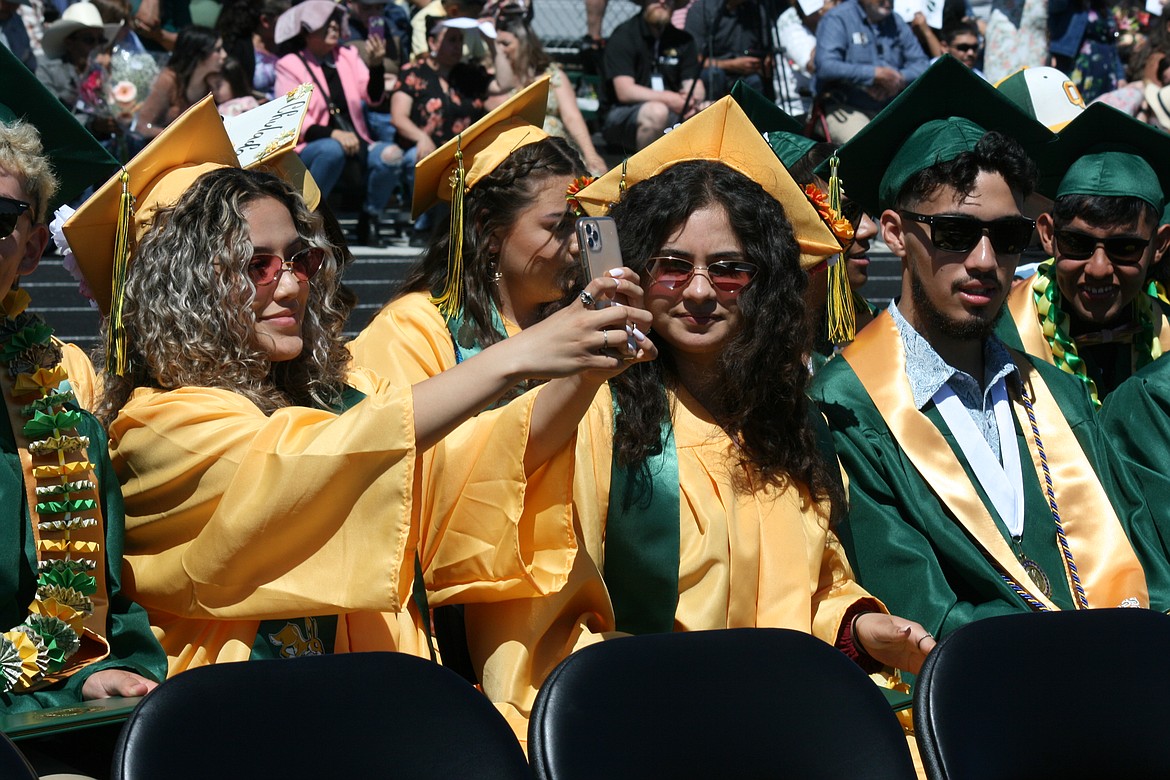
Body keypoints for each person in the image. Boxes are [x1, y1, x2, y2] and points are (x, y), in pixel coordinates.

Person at [62, 96, 654, 674]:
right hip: (237, 714)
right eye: (256, 265)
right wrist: (515, 358)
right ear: (186, 284)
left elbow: (466, 472)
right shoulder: (158, 426)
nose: (291, 286)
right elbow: (307, 466)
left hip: (369, 700)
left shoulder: (341, 391)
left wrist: (581, 376)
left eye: (299, 259)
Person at [460, 97, 931, 748]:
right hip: (649, 731)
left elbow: (812, 590)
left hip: (788, 729)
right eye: (674, 265)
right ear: (636, 270)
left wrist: (859, 628)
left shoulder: (787, 421)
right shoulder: (592, 412)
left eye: (729, 269)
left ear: (762, 280)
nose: (702, 291)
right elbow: (544, 614)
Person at [810, 58, 1170, 645]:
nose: (984, 261)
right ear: (896, 234)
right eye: (954, 233)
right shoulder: (842, 409)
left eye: (1006, 237)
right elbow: (924, 610)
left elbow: (1145, 565)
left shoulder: (1059, 397)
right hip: (968, 715)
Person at [0, 47, 165, 768]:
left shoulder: (56, 409)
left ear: (32, 250)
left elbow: (91, 593)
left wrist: (93, 665)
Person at [998, 103, 1170, 406]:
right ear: (1048, 235)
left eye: (1125, 248)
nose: (1099, 268)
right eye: (1078, 243)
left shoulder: (1167, 333)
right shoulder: (998, 338)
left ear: (1159, 246)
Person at [275, 0, 401, 247]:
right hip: (313, 147)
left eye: (335, 20)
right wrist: (334, 134)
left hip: (358, 142)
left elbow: (373, 97)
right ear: (306, 30)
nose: (334, 25)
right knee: (332, 150)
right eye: (325, 22)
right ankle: (308, 219)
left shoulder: (348, 55)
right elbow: (292, 119)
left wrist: (376, 65)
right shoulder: (288, 64)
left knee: (392, 156)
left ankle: (370, 216)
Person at [392, 16, 484, 242]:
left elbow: (505, 86)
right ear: (432, 43)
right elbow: (398, 117)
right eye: (451, 40)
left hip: (461, 154)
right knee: (419, 159)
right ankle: (423, 225)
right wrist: (422, 137)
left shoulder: (467, 74)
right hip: (426, 150)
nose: (457, 46)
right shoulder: (414, 72)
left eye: (460, 40)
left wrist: (490, 40)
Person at [486, 17, 608, 174]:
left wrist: (591, 156)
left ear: (525, 44)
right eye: (496, 44)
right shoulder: (492, 82)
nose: (500, 49)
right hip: (517, 158)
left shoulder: (552, 74)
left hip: (558, 151)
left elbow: (572, 117)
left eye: (505, 44)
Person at [813, 0, 929, 143]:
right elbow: (826, 66)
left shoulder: (896, 20)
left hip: (890, 105)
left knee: (923, 140)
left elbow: (922, 64)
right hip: (845, 106)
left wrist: (896, 80)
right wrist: (873, 75)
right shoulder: (838, 18)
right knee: (866, 145)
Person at [601, 0, 705, 153]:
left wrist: (692, 100)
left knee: (709, 109)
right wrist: (670, 99)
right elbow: (624, 91)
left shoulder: (683, 40)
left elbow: (693, 82)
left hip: (673, 110)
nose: (662, 1)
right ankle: (646, 174)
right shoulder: (624, 35)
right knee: (657, 112)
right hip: (623, 116)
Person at [36, 2, 124, 141]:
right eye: (89, 39)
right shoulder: (48, 72)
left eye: (100, 40)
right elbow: (51, 118)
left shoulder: (103, 72)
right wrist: (92, 125)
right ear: (69, 43)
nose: (96, 46)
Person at [134, 24, 226, 139]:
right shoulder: (168, 81)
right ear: (199, 54)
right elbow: (141, 126)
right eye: (218, 50)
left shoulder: (212, 80)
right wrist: (180, 138)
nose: (224, 55)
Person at [683, 0, 768, 99]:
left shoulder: (756, 10)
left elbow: (767, 52)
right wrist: (731, 65)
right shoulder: (701, 9)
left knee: (755, 81)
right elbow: (694, 60)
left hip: (747, 74)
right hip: (713, 74)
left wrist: (762, 62)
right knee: (714, 75)